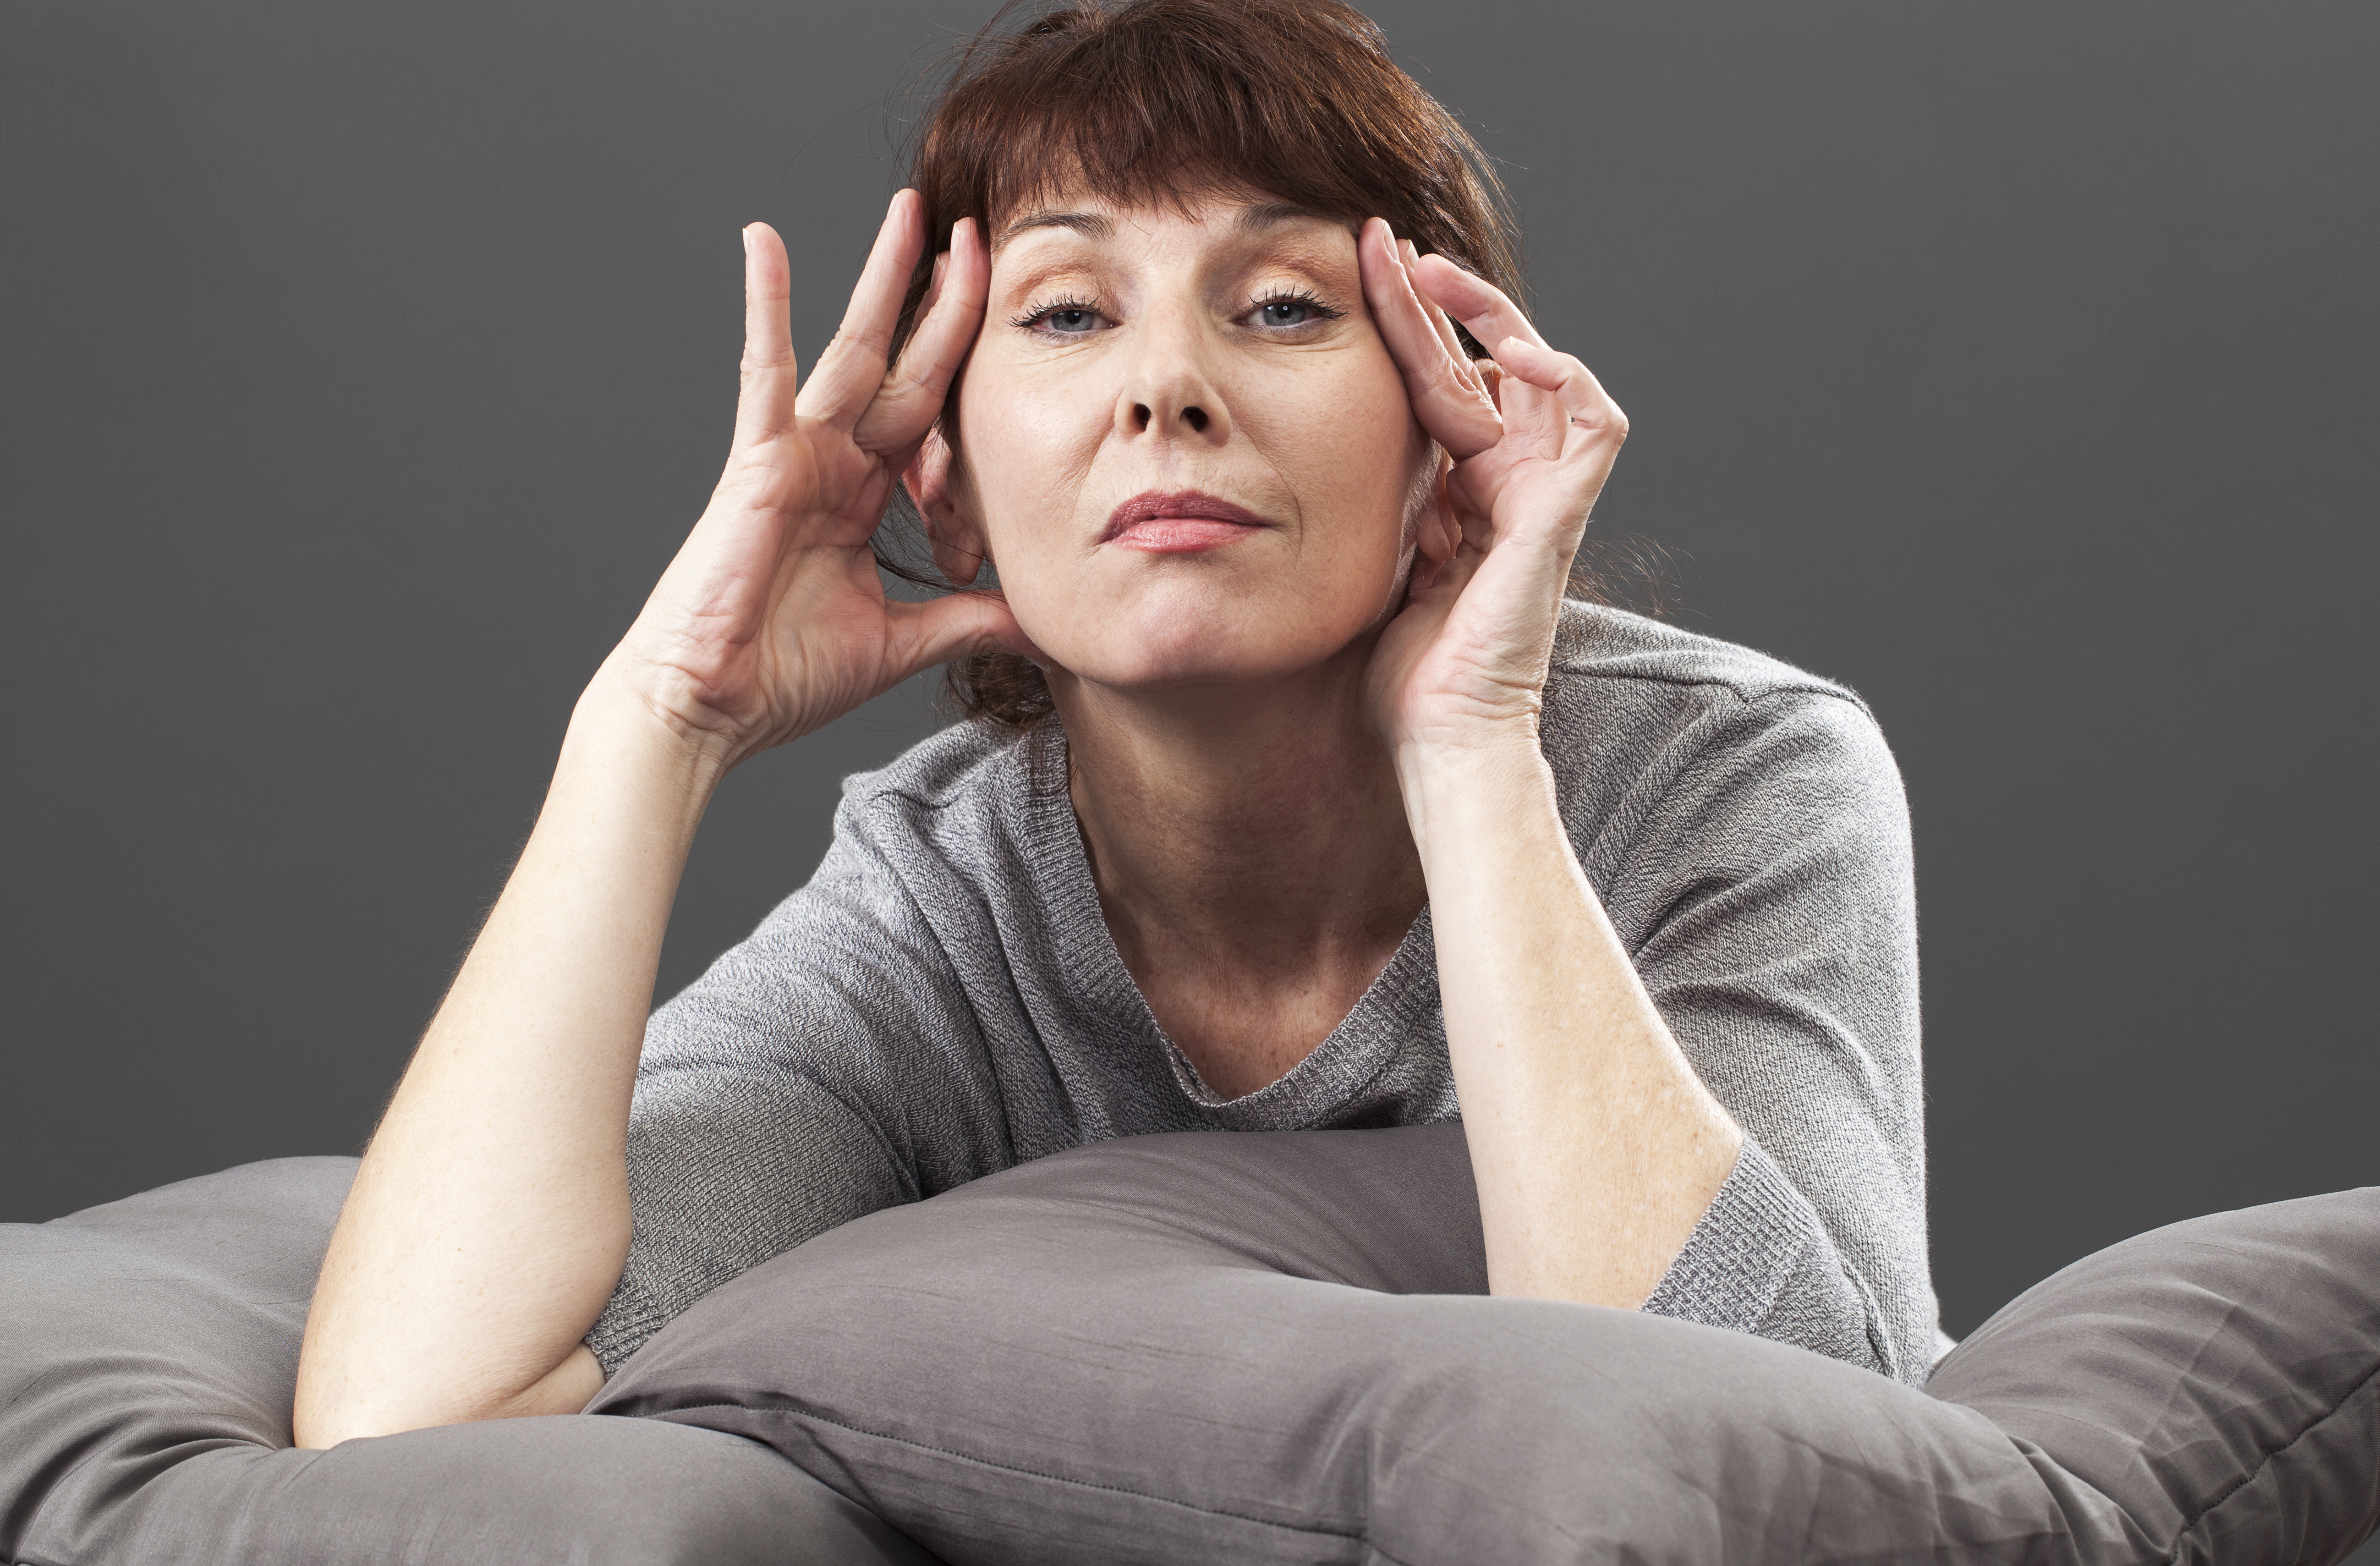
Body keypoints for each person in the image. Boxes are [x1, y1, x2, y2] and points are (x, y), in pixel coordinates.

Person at [292, 0, 1942, 1450]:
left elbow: (1767, 1453)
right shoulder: (948, 912)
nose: (1168, 386)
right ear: (945, 486)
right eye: (1072, 314)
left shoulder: (1733, 775)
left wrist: (1472, 747)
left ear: (1451, 425)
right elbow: (416, 1416)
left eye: (1283, 306)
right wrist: (655, 717)